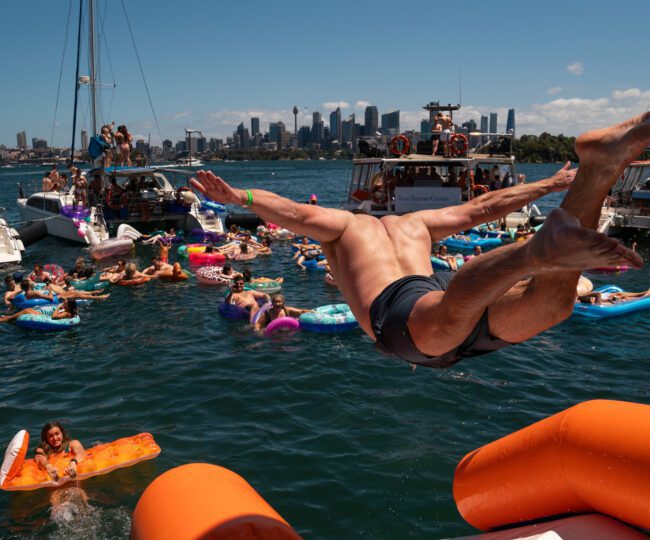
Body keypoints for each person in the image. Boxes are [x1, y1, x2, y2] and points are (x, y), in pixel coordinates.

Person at [190, 112, 649, 370]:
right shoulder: (419, 223)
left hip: (405, 317)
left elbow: (288, 211)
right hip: (439, 301)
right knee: (554, 305)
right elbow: (483, 209)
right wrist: (547, 186)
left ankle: (536, 251)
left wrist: (240, 197)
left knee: (443, 322)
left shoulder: (344, 226)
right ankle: (599, 168)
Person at [0, 297, 78, 324]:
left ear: (69, 306)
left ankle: (8, 319)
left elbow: (54, 317)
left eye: (65, 303)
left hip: (48, 319)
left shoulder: (67, 313)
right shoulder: (68, 311)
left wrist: (58, 308)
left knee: (27, 311)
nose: (63, 304)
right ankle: (9, 317)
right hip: (47, 317)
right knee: (29, 309)